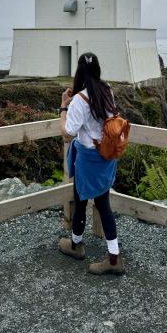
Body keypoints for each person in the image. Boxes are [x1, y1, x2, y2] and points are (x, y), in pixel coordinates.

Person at [58, 52, 125, 275]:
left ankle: (77, 245)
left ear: (79, 72)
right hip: (105, 157)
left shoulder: (80, 100)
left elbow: (68, 134)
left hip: (87, 158)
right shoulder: (107, 91)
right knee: (103, 203)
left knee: (80, 200)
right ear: (97, 69)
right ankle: (113, 257)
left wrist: (63, 108)